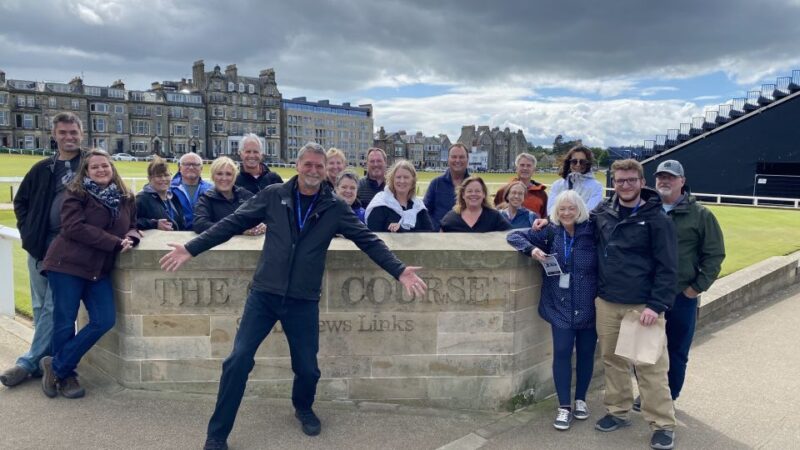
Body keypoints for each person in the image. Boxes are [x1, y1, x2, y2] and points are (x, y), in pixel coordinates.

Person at [158, 142, 428, 450]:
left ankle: (303, 406)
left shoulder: (334, 206)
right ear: (298, 166)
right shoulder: (274, 196)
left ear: (326, 170)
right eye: (308, 165)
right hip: (264, 294)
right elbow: (232, 223)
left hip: (303, 299)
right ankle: (217, 434)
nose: (313, 170)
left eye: (319, 166)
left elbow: (368, 240)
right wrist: (191, 248)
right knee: (237, 361)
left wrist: (399, 270)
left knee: (308, 368)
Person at [39, 149, 140, 399]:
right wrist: (115, 241)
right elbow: (74, 227)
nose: (101, 170)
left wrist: (131, 237)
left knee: (104, 320)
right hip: (67, 265)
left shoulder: (126, 197)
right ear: (86, 171)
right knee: (64, 323)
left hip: (98, 270)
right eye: (94, 167)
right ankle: (68, 375)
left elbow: (134, 225)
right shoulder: (76, 195)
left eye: (104, 166)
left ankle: (57, 366)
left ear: (112, 168)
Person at [592, 159, 677, 450]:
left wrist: (656, 305)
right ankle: (618, 411)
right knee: (612, 362)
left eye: (630, 180)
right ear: (613, 183)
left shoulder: (657, 218)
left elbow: (668, 267)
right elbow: (574, 226)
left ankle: (663, 424)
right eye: (619, 180)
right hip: (607, 302)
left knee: (649, 367)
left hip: (643, 306)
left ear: (641, 182)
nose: (625, 185)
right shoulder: (603, 211)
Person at [631, 160, 725, 412]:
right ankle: (647, 394)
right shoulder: (644, 210)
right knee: (641, 351)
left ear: (682, 181)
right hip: (647, 295)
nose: (665, 181)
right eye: (661, 176)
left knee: (676, 351)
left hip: (680, 296)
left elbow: (714, 255)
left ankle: (668, 397)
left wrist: (694, 289)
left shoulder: (701, 215)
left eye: (671, 177)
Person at [1, 112, 87, 388]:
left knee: (53, 305)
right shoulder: (42, 168)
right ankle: (44, 359)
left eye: (73, 132)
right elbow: (21, 202)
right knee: (39, 305)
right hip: (39, 244)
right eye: (63, 132)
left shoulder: (91, 164)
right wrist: (28, 233)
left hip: (70, 247)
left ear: (81, 134)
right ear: (54, 135)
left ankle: (27, 363)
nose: (68, 137)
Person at [507, 190, 597, 430]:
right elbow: (515, 236)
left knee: (587, 353)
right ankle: (564, 406)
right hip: (560, 304)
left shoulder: (593, 231)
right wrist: (532, 250)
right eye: (562, 209)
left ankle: (580, 400)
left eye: (571, 208)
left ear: (580, 210)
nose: (567, 213)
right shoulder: (551, 231)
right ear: (555, 212)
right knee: (562, 351)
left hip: (589, 304)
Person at [193, 157, 265, 235]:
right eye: (219, 174)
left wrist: (262, 225)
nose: (224, 178)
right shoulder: (205, 199)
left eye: (229, 174)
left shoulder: (246, 196)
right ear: (213, 177)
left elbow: (264, 216)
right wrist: (239, 229)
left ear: (234, 177)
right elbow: (200, 225)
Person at [365, 160, 433, 233]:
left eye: (406, 177)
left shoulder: (418, 207)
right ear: (392, 179)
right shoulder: (380, 204)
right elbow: (373, 236)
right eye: (398, 177)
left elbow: (429, 235)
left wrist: (402, 231)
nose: (402, 181)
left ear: (413, 181)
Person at [423, 143, 469, 230]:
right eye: (454, 157)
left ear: (467, 160)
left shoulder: (474, 185)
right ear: (448, 159)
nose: (457, 160)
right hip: (439, 238)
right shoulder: (436, 184)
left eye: (461, 157)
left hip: (466, 238)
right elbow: (425, 212)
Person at [440, 176, 512, 232]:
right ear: (463, 195)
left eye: (477, 191)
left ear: (484, 194)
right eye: (469, 191)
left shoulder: (495, 217)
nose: (473, 194)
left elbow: (510, 235)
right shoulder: (451, 218)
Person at [547, 145, 604, 215]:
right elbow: (551, 211)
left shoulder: (596, 186)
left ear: (588, 164)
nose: (578, 164)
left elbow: (590, 212)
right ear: (569, 163)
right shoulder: (557, 185)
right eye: (574, 161)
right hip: (558, 224)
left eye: (582, 162)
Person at [135, 156, 186, 231]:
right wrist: (154, 224)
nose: (163, 179)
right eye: (159, 176)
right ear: (149, 178)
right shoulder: (141, 199)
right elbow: (131, 223)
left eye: (166, 175)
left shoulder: (173, 197)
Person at [493, 153, 548, 218]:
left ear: (534, 170)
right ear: (516, 168)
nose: (525, 168)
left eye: (529, 166)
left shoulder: (541, 194)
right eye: (522, 165)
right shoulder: (503, 191)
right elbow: (495, 215)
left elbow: (544, 217)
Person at [171, 152, 212, 229]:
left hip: (204, 235)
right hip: (177, 235)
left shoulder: (211, 190)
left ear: (201, 168)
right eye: (186, 164)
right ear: (180, 168)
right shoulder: (169, 189)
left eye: (195, 164)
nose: (191, 167)